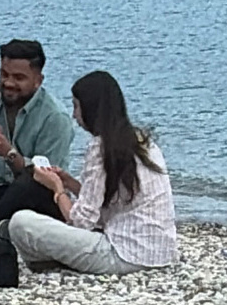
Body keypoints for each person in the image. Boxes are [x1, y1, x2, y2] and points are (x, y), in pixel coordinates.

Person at [10, 70, 179, 275]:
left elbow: (81, 221)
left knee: (20, 222)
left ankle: (47, 263)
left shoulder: (101, 148)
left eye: (76, 106)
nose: (74, 115)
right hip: (160, 253)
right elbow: (107, 203)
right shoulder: (142, 141)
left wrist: (57, 188)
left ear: (90, 108)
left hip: (122, 254)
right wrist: (70, 183)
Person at [0, 39, 75, 239]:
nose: (8, 83)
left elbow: (50, 180)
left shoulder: (54, 117)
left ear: (38, 80)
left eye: (19, 78)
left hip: (40, 197)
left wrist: (10, 154)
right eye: (4, 74)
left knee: (27, 183)